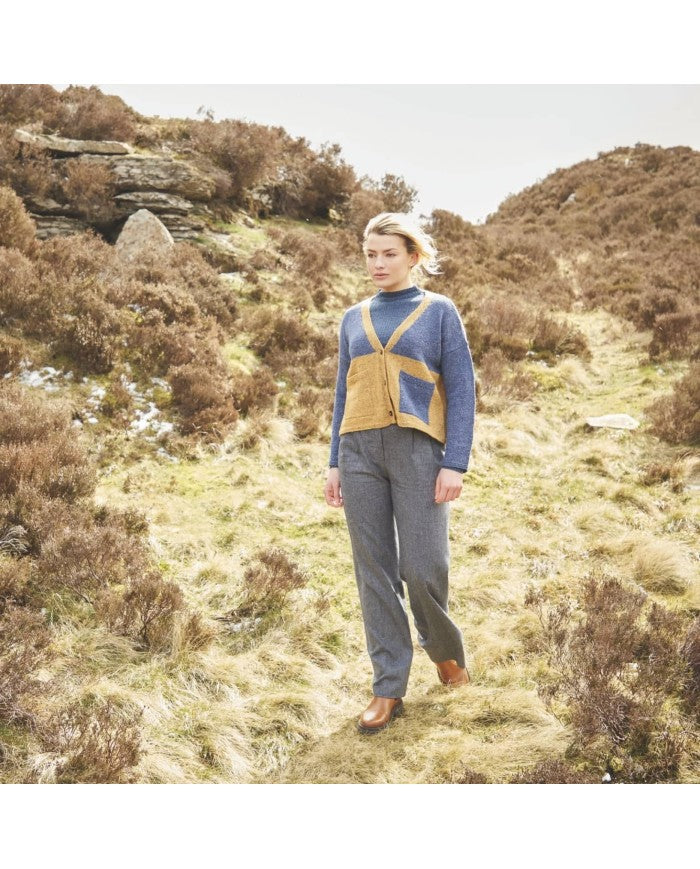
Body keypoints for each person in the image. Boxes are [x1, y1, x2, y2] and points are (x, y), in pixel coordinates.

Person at [323, 212, 477, 735]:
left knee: (422, 566)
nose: (378, 263)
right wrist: (335, 462)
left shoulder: (439, 312)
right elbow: (343, 393)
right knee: (374, 570)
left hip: (419, 451)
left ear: (413, 257)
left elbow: (462, 388)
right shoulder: (353, 318)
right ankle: (388, 685)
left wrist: (455, 461)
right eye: (371, 254)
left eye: (389, 253)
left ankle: (445, 652)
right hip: (359, 452)